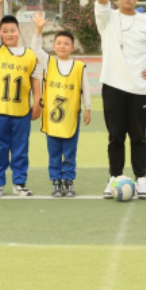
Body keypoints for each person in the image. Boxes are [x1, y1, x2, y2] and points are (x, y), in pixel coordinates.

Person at [93, 0, 146, 199]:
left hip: (139, 89)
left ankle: (141, 179)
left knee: (139, 137)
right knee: (115, 137)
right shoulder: (107, 18)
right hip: (112, 86)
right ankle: (114, 177)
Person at [0, 0, 42, 198]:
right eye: (5, 31)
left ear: (19, 32)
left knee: (20, 149)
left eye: (12, 30)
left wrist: (37, 102)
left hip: (21, 112)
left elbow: (35, 80)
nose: (9, 34)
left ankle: (19, 183)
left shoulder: (29, 55)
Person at [31, 12, 91, 197]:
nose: (62, 46)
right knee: (54, 152)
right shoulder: (49, 62)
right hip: (52, 119)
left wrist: (87, 108)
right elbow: (35, 48)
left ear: (72, 47)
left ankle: (69, 181)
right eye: (59, 43)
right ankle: (56, 181)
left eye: (66, 43)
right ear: (53, 46)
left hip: (71, 117)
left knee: (70, 152)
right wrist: (38, 30)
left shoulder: (79, 67)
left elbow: (85, 88)